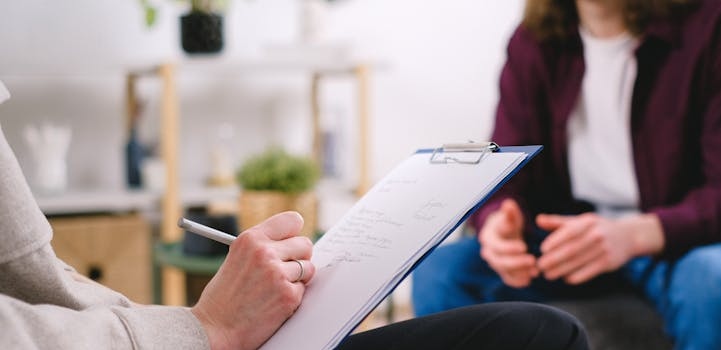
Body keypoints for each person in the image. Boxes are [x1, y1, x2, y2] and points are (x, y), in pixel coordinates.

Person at [0, 81, 590, 350]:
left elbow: (39, 285)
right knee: (538, 333)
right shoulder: (540, 44)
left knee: (531, 329)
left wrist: (192, 323)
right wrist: (205, 328)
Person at [412, 0, 721, 349]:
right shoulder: (533, 40)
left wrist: (635, 235)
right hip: (571, 241)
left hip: (688, 241)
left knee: (714, 287)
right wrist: (498, 223)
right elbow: (504, 172)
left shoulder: (718, 23)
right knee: (441, 271)